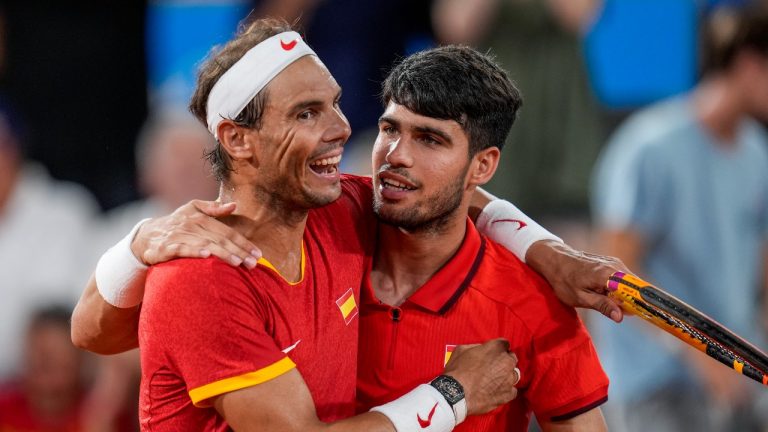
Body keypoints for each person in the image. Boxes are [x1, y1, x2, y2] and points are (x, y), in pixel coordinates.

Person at [75, 18, 521, 432]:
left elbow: (440, 192)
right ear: (237, 139)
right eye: (306, 113)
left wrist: (548, 251)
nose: (341, 127)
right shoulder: (202, 278)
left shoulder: (336, 208)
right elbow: (90, 334)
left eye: (335, 104)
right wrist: (453, 394)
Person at [353, 45, 608, 431]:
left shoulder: (533, 305)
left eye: (429, 139)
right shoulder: (322, 232)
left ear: (483, 165)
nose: (397, 155)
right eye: (390, 129)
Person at [591, 4, 768, 431]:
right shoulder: (650, 148)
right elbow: (617, 274)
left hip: (738, 381)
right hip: (657, 390)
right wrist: (702, 356)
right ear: (748, 65)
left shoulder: (757, 152)